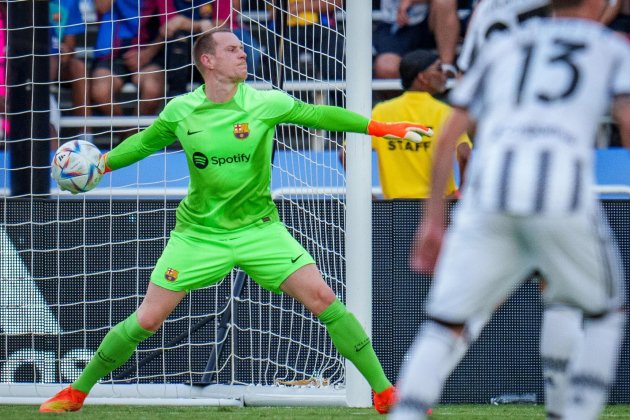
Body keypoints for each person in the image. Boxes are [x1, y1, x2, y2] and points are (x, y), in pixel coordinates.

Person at [39, 28, 432, 414]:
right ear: (208, 61)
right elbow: (143, 143)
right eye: (232, 49)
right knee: (147, 319)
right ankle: (76, 392)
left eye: (242, 48)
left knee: (325, 299)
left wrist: (382, 128)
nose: (243, 54)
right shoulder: (181, 111)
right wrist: (102, 165)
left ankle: (384, 392)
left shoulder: (266, 102)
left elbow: (320, 114)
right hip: (198, 235)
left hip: (259, 230)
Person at [391, 0, 630, 417]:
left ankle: (406, 411)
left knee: (445, 322)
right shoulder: (609, 46)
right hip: (561, 192)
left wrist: (432, 221)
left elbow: (452, 133)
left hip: (487, 194)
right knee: (597, 309)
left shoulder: (505, 44)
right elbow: (626, 119)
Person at [369, 49, 471, 199]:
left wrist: (369, 196)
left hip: (397, 208)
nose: (444, 75)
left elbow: (346, 153)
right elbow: (465, 155)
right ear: (422, 77)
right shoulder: (445, 113)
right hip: (438, 206)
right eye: (439, 69)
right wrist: (461, 192)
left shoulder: (381, 112)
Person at [163, 0, 262, 96]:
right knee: (180, 39)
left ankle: (241, 91)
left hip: (221, 33)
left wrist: (183, 22)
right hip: (179, 45)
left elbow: (222, 23)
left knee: (249, 49)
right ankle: (176, 95)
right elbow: (168, 27)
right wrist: (202, 25)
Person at [90, 0, 166, 120]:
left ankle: (130, 137)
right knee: (100, 92)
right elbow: (102, 7)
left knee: (153, 90)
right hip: (112, 54)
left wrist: (147, 54)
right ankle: (130, 136)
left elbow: (169, 23)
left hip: (150, 52)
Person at [373, 0, 467, 83]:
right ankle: (404, 101)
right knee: (387, 69)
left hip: (433, 21)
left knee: (445, 2)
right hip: (394, 22)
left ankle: (446, 68)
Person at [50, 0, 93, 145]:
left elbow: (70, 46)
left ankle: (86, 138)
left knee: (79, 67)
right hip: (24, 64)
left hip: (56, 64)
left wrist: (66, 52)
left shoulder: (68, 3)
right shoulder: (19, 4)